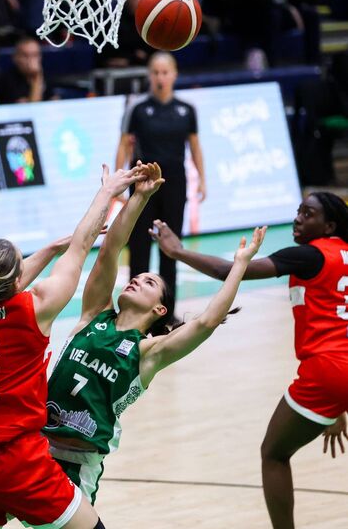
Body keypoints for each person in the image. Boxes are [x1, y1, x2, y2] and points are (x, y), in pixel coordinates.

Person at [43, 160, 266, 504]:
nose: (135, 279)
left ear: (159, 310)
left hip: (76, 467)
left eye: (149, 282)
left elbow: (206, 322)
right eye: (137, 277)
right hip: (33, 447)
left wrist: (239, 265)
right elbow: (111, 250)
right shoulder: (93, 316)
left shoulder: (148, 353)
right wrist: (140, 197)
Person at [0, 162, 145, 529]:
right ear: (17, 279)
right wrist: (108, 192)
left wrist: (53, 247)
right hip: (20, 462)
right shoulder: (33, 308)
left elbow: (6, 281)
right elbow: (84, 245)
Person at [150, 191, 348, 529]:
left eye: (308, 213)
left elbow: (234, 270)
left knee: (274, 454)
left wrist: (177, 251)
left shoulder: (308, 256)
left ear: (329, 224)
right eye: (298, 210)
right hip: (337, 373)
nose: (298, 218)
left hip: (328, 371)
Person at [115, 51, 206, 320]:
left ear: (174, 74)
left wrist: (202, 178)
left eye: (165, 72)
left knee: (171, 248)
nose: (160, 77)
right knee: (140, 247)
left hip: (174, 182)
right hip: (144, 185)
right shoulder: (138, 109)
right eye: (155, 72)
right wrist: (119, 182)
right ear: (149, 75)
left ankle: (168, 312)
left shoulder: (186, 110)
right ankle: (134, 309)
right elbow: (123, 144)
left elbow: (195, 146)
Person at [0, 37, 54, 104]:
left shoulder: (45, 74)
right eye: (25, 55)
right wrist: (36, 78)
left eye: (35, 55)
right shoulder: (6, 80)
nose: (30, 60)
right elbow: (31, 109)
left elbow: (54, 99)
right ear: (15, 58)